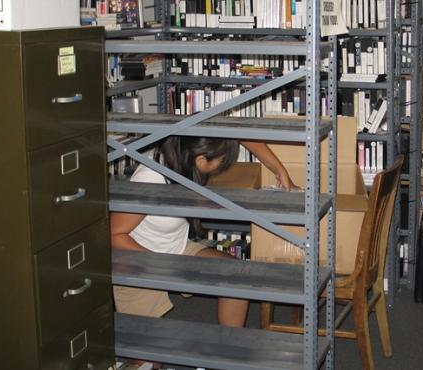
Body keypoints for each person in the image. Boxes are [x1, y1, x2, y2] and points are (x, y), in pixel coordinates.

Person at [111, 136, 297, 328]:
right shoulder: (151, 179)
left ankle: (230, 344)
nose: (221, 168)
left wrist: (280, 172)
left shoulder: (185, 158)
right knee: (147, 357)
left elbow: (241, 135)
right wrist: (161, 265)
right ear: (201, 160)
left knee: (237, 276)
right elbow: (114, 236)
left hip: (176, 249)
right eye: (221, 161)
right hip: (136, 259)